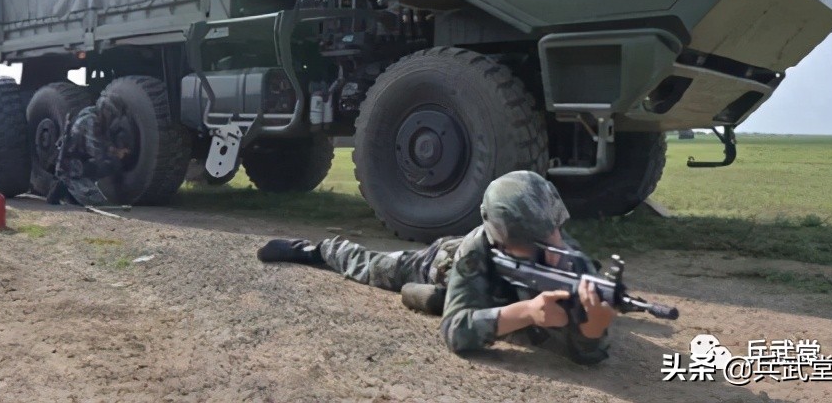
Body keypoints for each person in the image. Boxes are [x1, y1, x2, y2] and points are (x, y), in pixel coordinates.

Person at [256, 170, 614, 364]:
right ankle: (316, 250)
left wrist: (592, 332)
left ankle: (444, 299)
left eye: (553, 238)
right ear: (505, 241)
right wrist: (526, 313)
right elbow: (455, 334)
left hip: (489, 287)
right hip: (437, 263)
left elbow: (586, 350)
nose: (552, 252)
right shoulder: (476, 252)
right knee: (375, 267)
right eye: (534, 246)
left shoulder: (564, 255)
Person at [46, 97, 133, 206]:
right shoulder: (89, 120)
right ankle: (62, 186)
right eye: (110, 114)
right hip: (71, 167)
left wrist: (116, 151)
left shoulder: (95, 118)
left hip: (78, 164)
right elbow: (96, 152)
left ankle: (71, 192)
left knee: (108, 167)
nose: (111, 118)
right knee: (97, 201)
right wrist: (115, 156)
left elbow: (102, 142)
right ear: (104, 111)